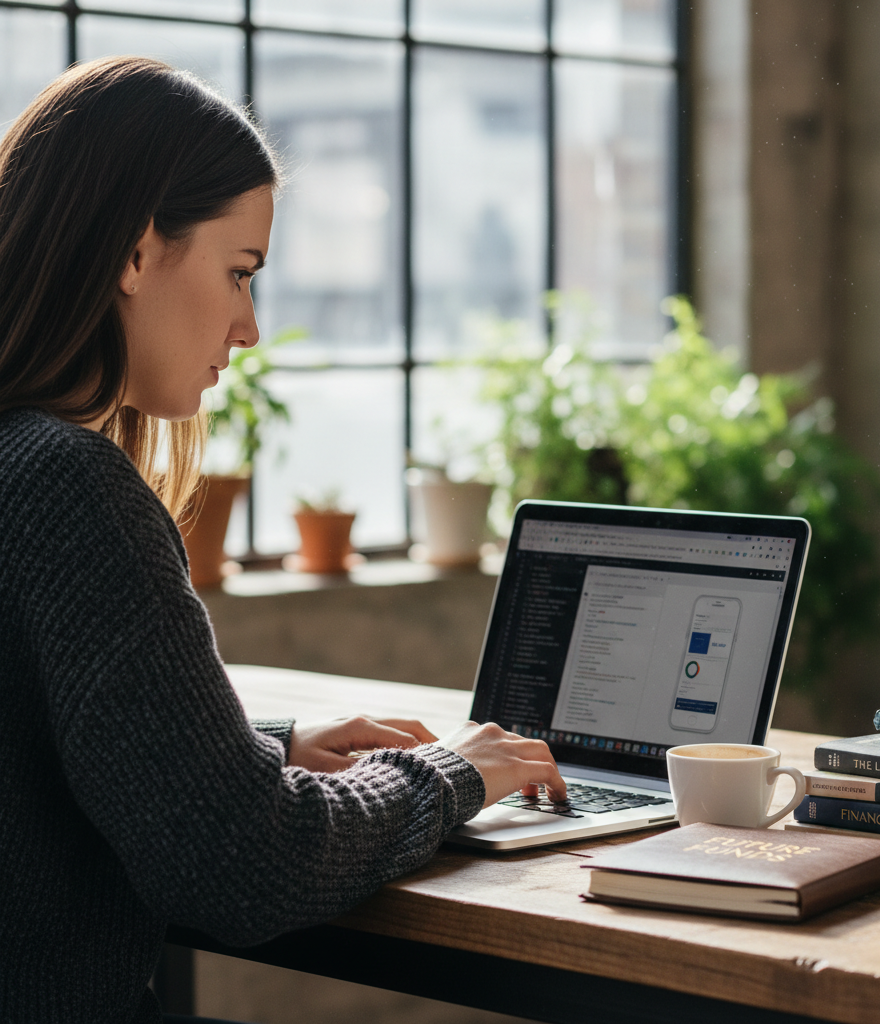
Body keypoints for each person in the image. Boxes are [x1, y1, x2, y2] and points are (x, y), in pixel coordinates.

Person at [0, 56, 566, 1024]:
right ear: (135, 253)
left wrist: (254, 750)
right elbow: (241, 866)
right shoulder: (62, 482)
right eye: (238, 272)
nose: (249, 326)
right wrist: (451, 771)